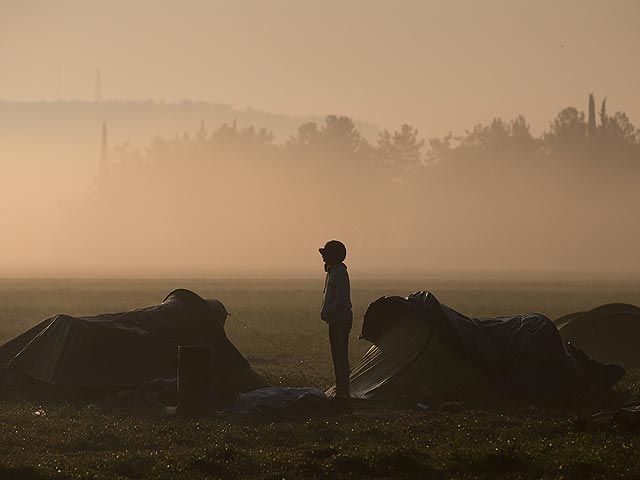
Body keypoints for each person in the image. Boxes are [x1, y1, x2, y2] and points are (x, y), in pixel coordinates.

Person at [319, 240, 353, 397]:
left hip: (340, 320)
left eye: (326, 255)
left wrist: (327, 312)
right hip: (334, 320)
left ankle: (343, 391)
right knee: (337, 355)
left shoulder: (340, 273)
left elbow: (342, 300)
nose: (323, 258)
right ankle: (341, 389)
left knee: (340, 355)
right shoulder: (332, 271)